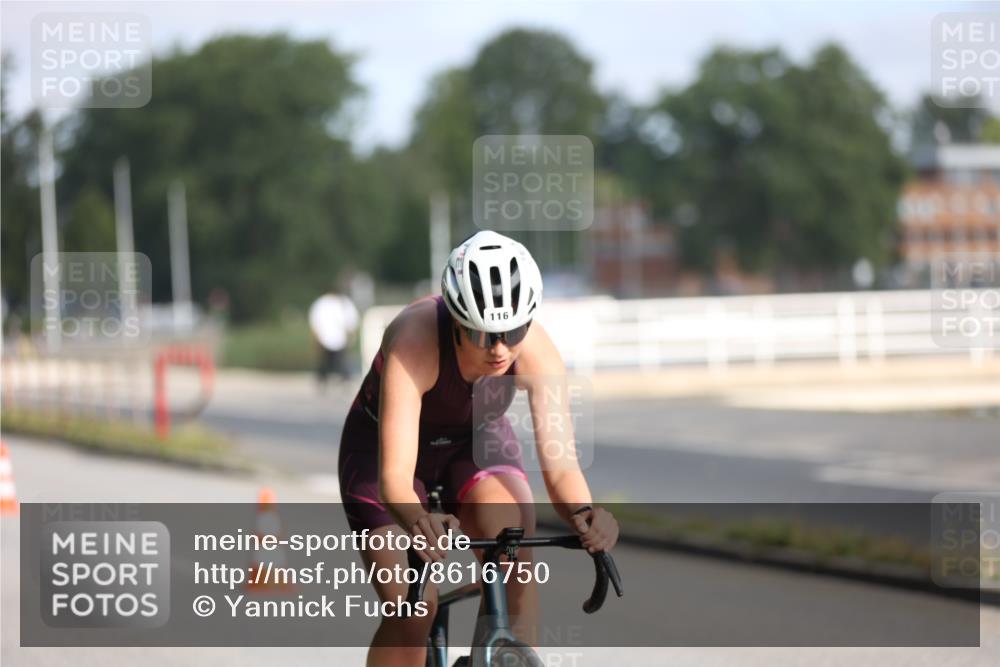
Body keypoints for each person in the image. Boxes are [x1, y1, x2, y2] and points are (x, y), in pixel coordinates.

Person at [338, 230, 619, 666]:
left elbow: (561, 467)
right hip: (381, 453)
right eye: (484, 334)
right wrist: (416, 518)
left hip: (475, 442)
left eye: (514, 330)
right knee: (414, 609)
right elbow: (395, 478)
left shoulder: (537, 351)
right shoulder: (415, 341)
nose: (501, 349)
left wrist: (586, 514)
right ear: (455, 320)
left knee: (515, 565)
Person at [308, 285, 360, 390]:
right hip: (326, 337)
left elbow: (351, 321)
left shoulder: (344, 304)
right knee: (326, 361)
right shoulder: (323, 303)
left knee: (341, 360)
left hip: (339, 338)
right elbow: (316, 321)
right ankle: (323, 379)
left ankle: (344, 379)